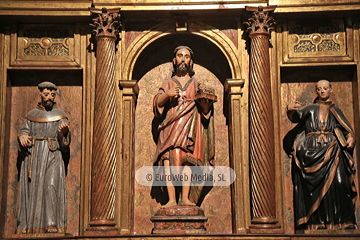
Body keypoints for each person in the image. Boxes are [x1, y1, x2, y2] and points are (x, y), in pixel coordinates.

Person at [286, 80, 357, 230]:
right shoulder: (310, 108)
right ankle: (316, 222)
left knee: (339, 183)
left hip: (333, 150)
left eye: (325, 88)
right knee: (314, 188)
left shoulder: (336, 111)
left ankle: (343, 221)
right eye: (319, 89)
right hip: (312, 150)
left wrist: (351, 137)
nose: (322, 91)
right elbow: (297, 116)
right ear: (316, 91)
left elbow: (347, 128)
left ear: (331, 90)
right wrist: (290, 110)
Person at [152, 46, 215, 208]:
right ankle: (171, 199)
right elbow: (157, 102)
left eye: (186, 56)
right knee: (168, 160)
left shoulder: (195, 83)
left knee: (187, 161)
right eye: (179, 56)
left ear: (190, 62)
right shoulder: (168, 83)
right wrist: (167, 95)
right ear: (174, 61)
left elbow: (205, 111)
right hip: (170, 126)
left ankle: (186, 198)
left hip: (190, 126)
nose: (182, 59)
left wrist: (205, 106)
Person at [16, 82, 70, 234]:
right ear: (40, 94)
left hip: (53, 153)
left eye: (52, 95)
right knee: (35, 188)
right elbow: (23, 131)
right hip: (35, 155)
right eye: (46, 94)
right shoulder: (31, 115)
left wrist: (65, 133)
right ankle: (31, 225)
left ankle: (51, 223)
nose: (49, 98)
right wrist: (23, 136)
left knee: (51, 185)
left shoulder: (59, 115)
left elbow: (64, 142)